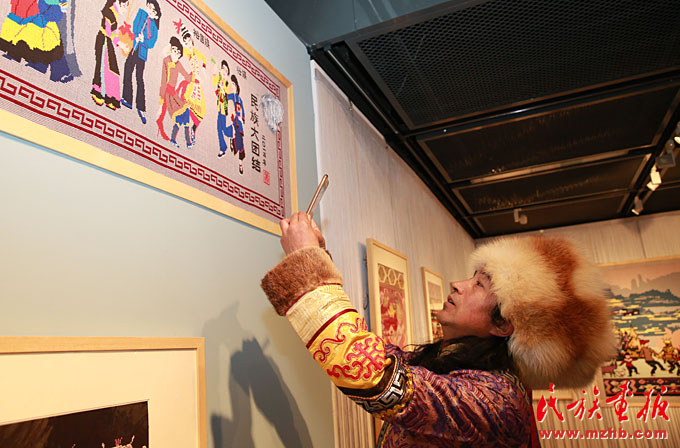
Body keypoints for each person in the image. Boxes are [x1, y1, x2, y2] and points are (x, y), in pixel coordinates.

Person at [261, 212, 615, 447]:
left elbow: (376, 377)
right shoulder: (459, 364)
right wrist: (316, 257)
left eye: (480, 284)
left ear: (504, 324)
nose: (458, 284)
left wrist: (307, 261)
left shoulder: (497, 399)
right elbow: (379, 356)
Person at [121, 0, 161, 124]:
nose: (150, 10)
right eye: (149, 7)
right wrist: (138, 35)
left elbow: (151, 43)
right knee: (128, 69)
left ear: (156, 13)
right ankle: (127, 98)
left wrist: (144, 40)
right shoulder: (141, 14)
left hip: (142, 53)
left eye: (152, 9)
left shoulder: (154, 26)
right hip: (135, 47)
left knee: (139, 77)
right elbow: (135, 27)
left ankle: (141, 106)